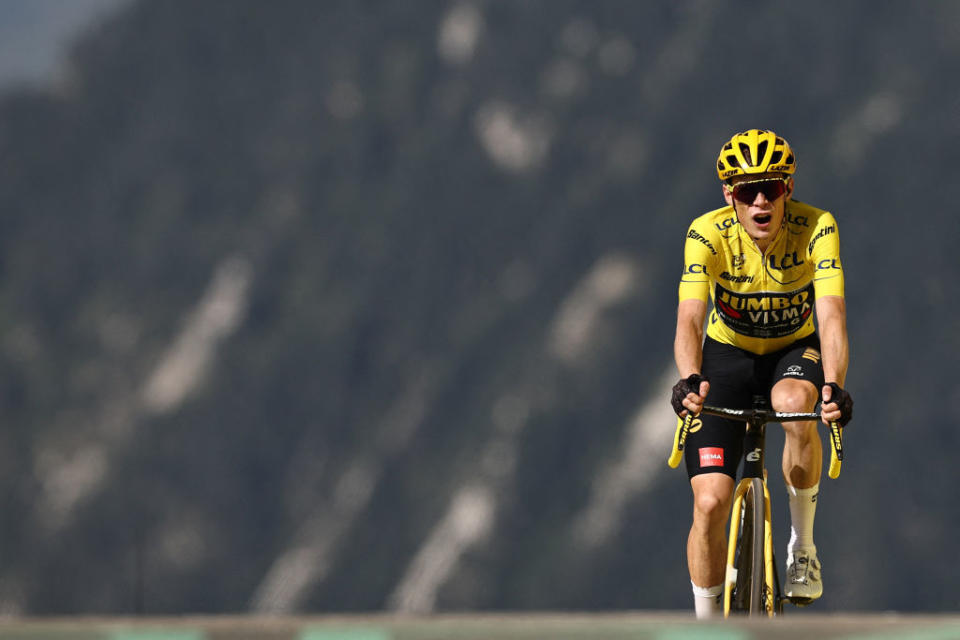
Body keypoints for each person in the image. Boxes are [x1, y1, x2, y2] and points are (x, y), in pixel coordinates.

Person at [670, 129, 853, 618]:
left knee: (795, 406)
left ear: (787, 189)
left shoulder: (818, 228)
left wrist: (833, 385)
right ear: (728, 195)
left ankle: (803, 549)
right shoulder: (705, 233)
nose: (759, 201)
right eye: (746, 190)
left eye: (770, 188)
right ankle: (706, 624)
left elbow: (831, 314)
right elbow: (690, 316)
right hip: (727, 356)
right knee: (709, 503)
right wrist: (689, 378)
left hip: (795, 350)